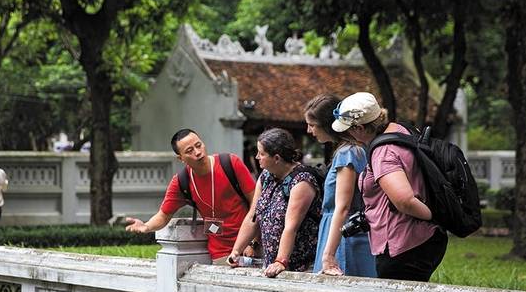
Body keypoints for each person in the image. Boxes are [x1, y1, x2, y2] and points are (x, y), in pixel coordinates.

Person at [332, 92, 448, 281]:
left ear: (360, 128)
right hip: (424, 239)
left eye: (349, 129)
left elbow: (404, 200)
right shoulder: (401, 130)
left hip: (403, 244)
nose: (348, 134)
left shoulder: (383, 152)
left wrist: (432, 216)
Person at [125, 129, 257, 264]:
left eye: (198, 145)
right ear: (181, 158)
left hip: (250, 246)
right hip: (220, 252)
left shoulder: (230, 163)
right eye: (189, 151)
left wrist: (253, 242)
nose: (198, 152)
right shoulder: (181, 182)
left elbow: (257, 203)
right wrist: (146, 226)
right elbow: (163, 215)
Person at [228, 128, 322, 278]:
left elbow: (291, 227)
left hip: (301, 266)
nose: (257, 157)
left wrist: (281, 261)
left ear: (276, 158)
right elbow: (253, 216)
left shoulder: (302, 181)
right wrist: (236, 251)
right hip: (271, 264)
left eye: (262, 153)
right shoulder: (266, 177)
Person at [304, 94, 376, 277]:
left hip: (343, 237)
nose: (309, 130)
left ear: (328, 125)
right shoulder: (355, 150)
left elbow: (342, 207)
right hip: (342, 231)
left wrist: (328, 255)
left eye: (313, 125)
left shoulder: (348, 153)